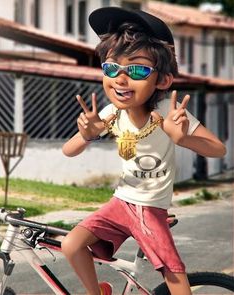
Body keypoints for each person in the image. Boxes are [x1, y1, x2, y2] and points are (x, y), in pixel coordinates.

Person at [61, 7, 226, 295]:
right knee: (71, 244)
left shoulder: (167, 113)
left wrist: (183, 137)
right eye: (112, 68)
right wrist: (87, 136)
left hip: (150, 208)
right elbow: (68, 150)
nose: (121, 79)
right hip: (120, 203)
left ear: (161, 80)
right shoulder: (112, 113)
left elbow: (218, 149)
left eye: (136, 70)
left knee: (173, 272)